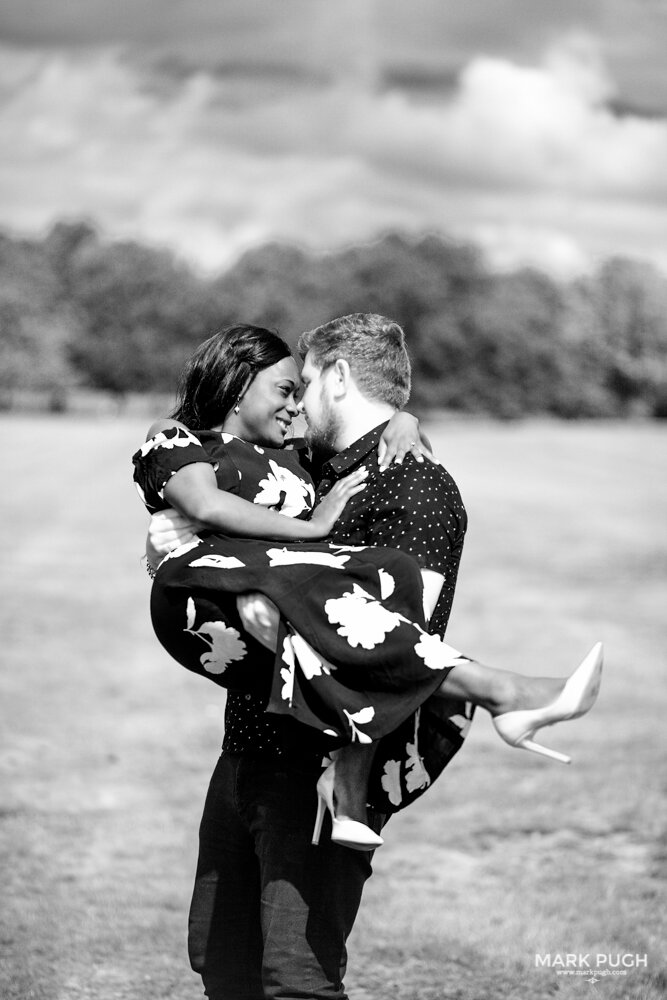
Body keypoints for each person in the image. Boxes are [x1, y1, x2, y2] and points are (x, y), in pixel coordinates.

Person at [141, 316, 603, 1000]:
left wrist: (350, 775)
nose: (296, 406)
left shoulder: (411, 486)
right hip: (246, 750)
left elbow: (401, 636)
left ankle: (497, 690)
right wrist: (404, 418)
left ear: (335, 375)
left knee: (296, 978)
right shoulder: (323, 467)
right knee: (222, 961)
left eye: (304, 382)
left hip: (317, 768)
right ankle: (496, 692)